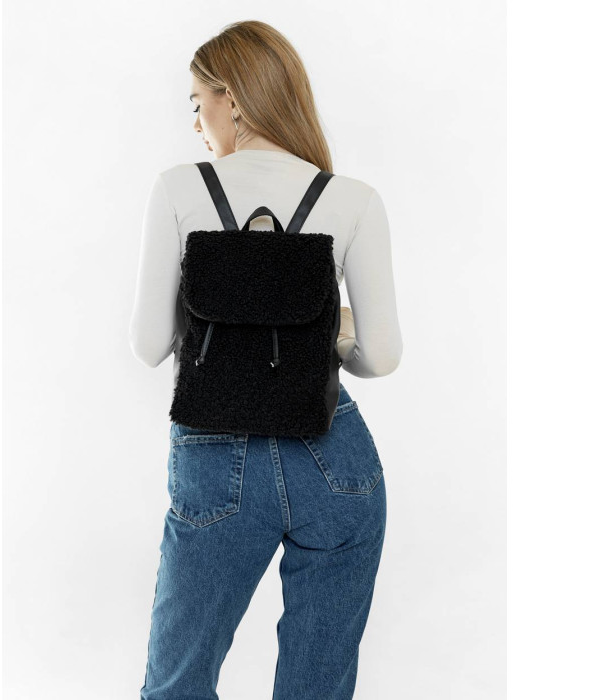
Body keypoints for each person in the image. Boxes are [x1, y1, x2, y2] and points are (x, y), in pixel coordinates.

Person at [129, 20, 403, 700]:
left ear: (232, 98)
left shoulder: (178, 190)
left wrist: (224, 309)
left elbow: (149, 344)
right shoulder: (352, 200)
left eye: (198, 103)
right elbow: (381, 356)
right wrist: (326, 325)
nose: (197, 123)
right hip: (334, 461)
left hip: (217, 460)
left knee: (177, 684)